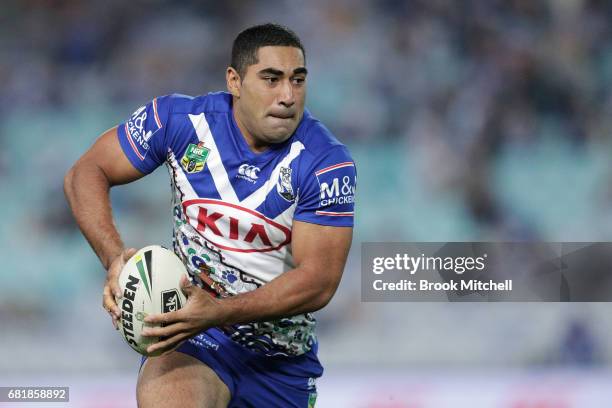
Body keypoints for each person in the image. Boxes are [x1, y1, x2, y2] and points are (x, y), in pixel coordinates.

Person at [64, 23, 356, 408]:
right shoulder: (179, 122)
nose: (288, 96)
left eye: (297, 80)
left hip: (280, 363)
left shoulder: (325, 163)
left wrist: (217, 311)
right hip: (191, 340)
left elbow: (318, 282)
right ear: (234, 81)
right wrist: (113, 257)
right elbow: (86, 172)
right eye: (271, 79)